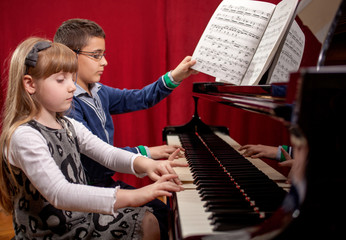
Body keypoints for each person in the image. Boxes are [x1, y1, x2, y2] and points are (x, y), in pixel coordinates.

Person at [0, 37, 187, 240]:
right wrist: (136, 196)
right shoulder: (25, 136)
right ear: (30, 84)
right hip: (49, 232)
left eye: (72, 78)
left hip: (79, 219)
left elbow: (107, 153)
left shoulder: (68, 125)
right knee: (147, 221)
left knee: (149, 219)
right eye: (61, 80)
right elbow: (60, 193)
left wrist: (147, 164)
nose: (72, 86)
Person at [53, 18, 197, 187]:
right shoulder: (68, 105)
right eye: (96, 55)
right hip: (88, 188)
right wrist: (147, 152)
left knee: (162, 210)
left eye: (103, 55)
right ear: (70, 56)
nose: (104, 62)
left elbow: (141, 98)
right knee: (156, 211)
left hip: (105, 182)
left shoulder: (99, 91)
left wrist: (175, 76)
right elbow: (99, 155)